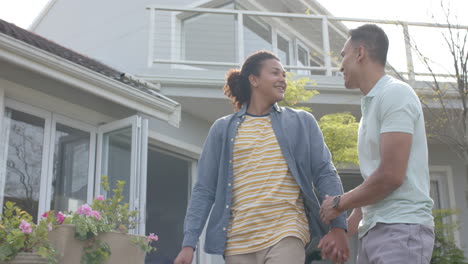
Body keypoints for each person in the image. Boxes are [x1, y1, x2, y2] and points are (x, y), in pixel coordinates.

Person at [174, 50, 349, 264]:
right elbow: (204, 189)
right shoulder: (222, 129)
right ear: (254, 80)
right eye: (275, 73)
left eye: (284, 75)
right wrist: (188, 244)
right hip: (237, 242)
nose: (282, 80)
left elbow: (325, 173)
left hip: (287, 232)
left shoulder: (301, 122)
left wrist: (338, 225)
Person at [319, 24, 435, 263]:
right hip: (375, 230)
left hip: (402, 230)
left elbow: (390, 176)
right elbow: (375, 180)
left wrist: (338, 204)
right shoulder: (371, 105)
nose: (340, 66)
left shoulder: (395, 94)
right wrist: (346, 227)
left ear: (360, 53)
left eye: (343, 56)